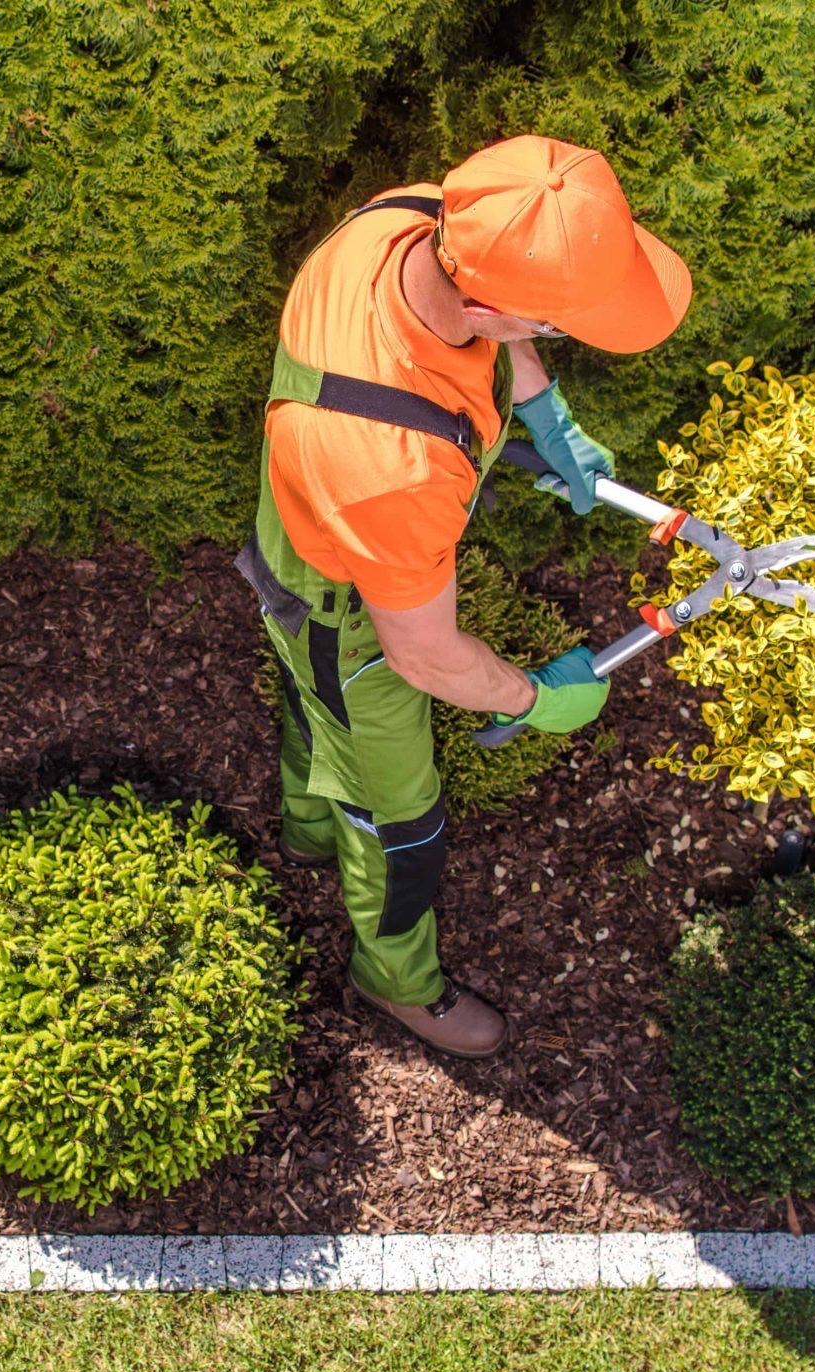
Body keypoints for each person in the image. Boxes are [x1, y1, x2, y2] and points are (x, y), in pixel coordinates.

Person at [239, 135, 691, 1058]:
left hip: (301, 526)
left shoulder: (412, 218)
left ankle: (303, 827)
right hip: (346, 611)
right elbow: (425, 656)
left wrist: (544, 412)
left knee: (308, 703)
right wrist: (540, 694)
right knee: (399, 816)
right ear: (488, 303)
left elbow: (497, 321)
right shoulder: (393, 470)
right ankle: (396, 979)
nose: (552, 341)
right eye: (557, 324)